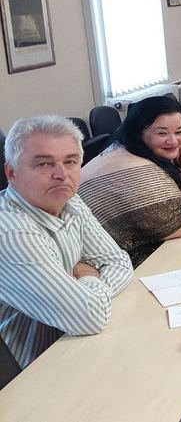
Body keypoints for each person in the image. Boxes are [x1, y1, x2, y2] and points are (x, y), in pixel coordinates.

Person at [0, 116, 133, 369]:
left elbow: (119, 262)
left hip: (74, 345)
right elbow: (89, 317)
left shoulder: (69, 201)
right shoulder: (10, 233)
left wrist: (85, 292)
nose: (61, 175)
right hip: (30, 373)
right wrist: (88, 276)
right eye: (44, 164)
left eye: (70, 161)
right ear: (11, 172)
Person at [79, 97, 181, 267]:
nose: (173, 141)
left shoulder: (129, 149)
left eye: (179, 132)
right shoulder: (133, 169)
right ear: (138, 132)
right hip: (107, 267)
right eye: (162, 133)